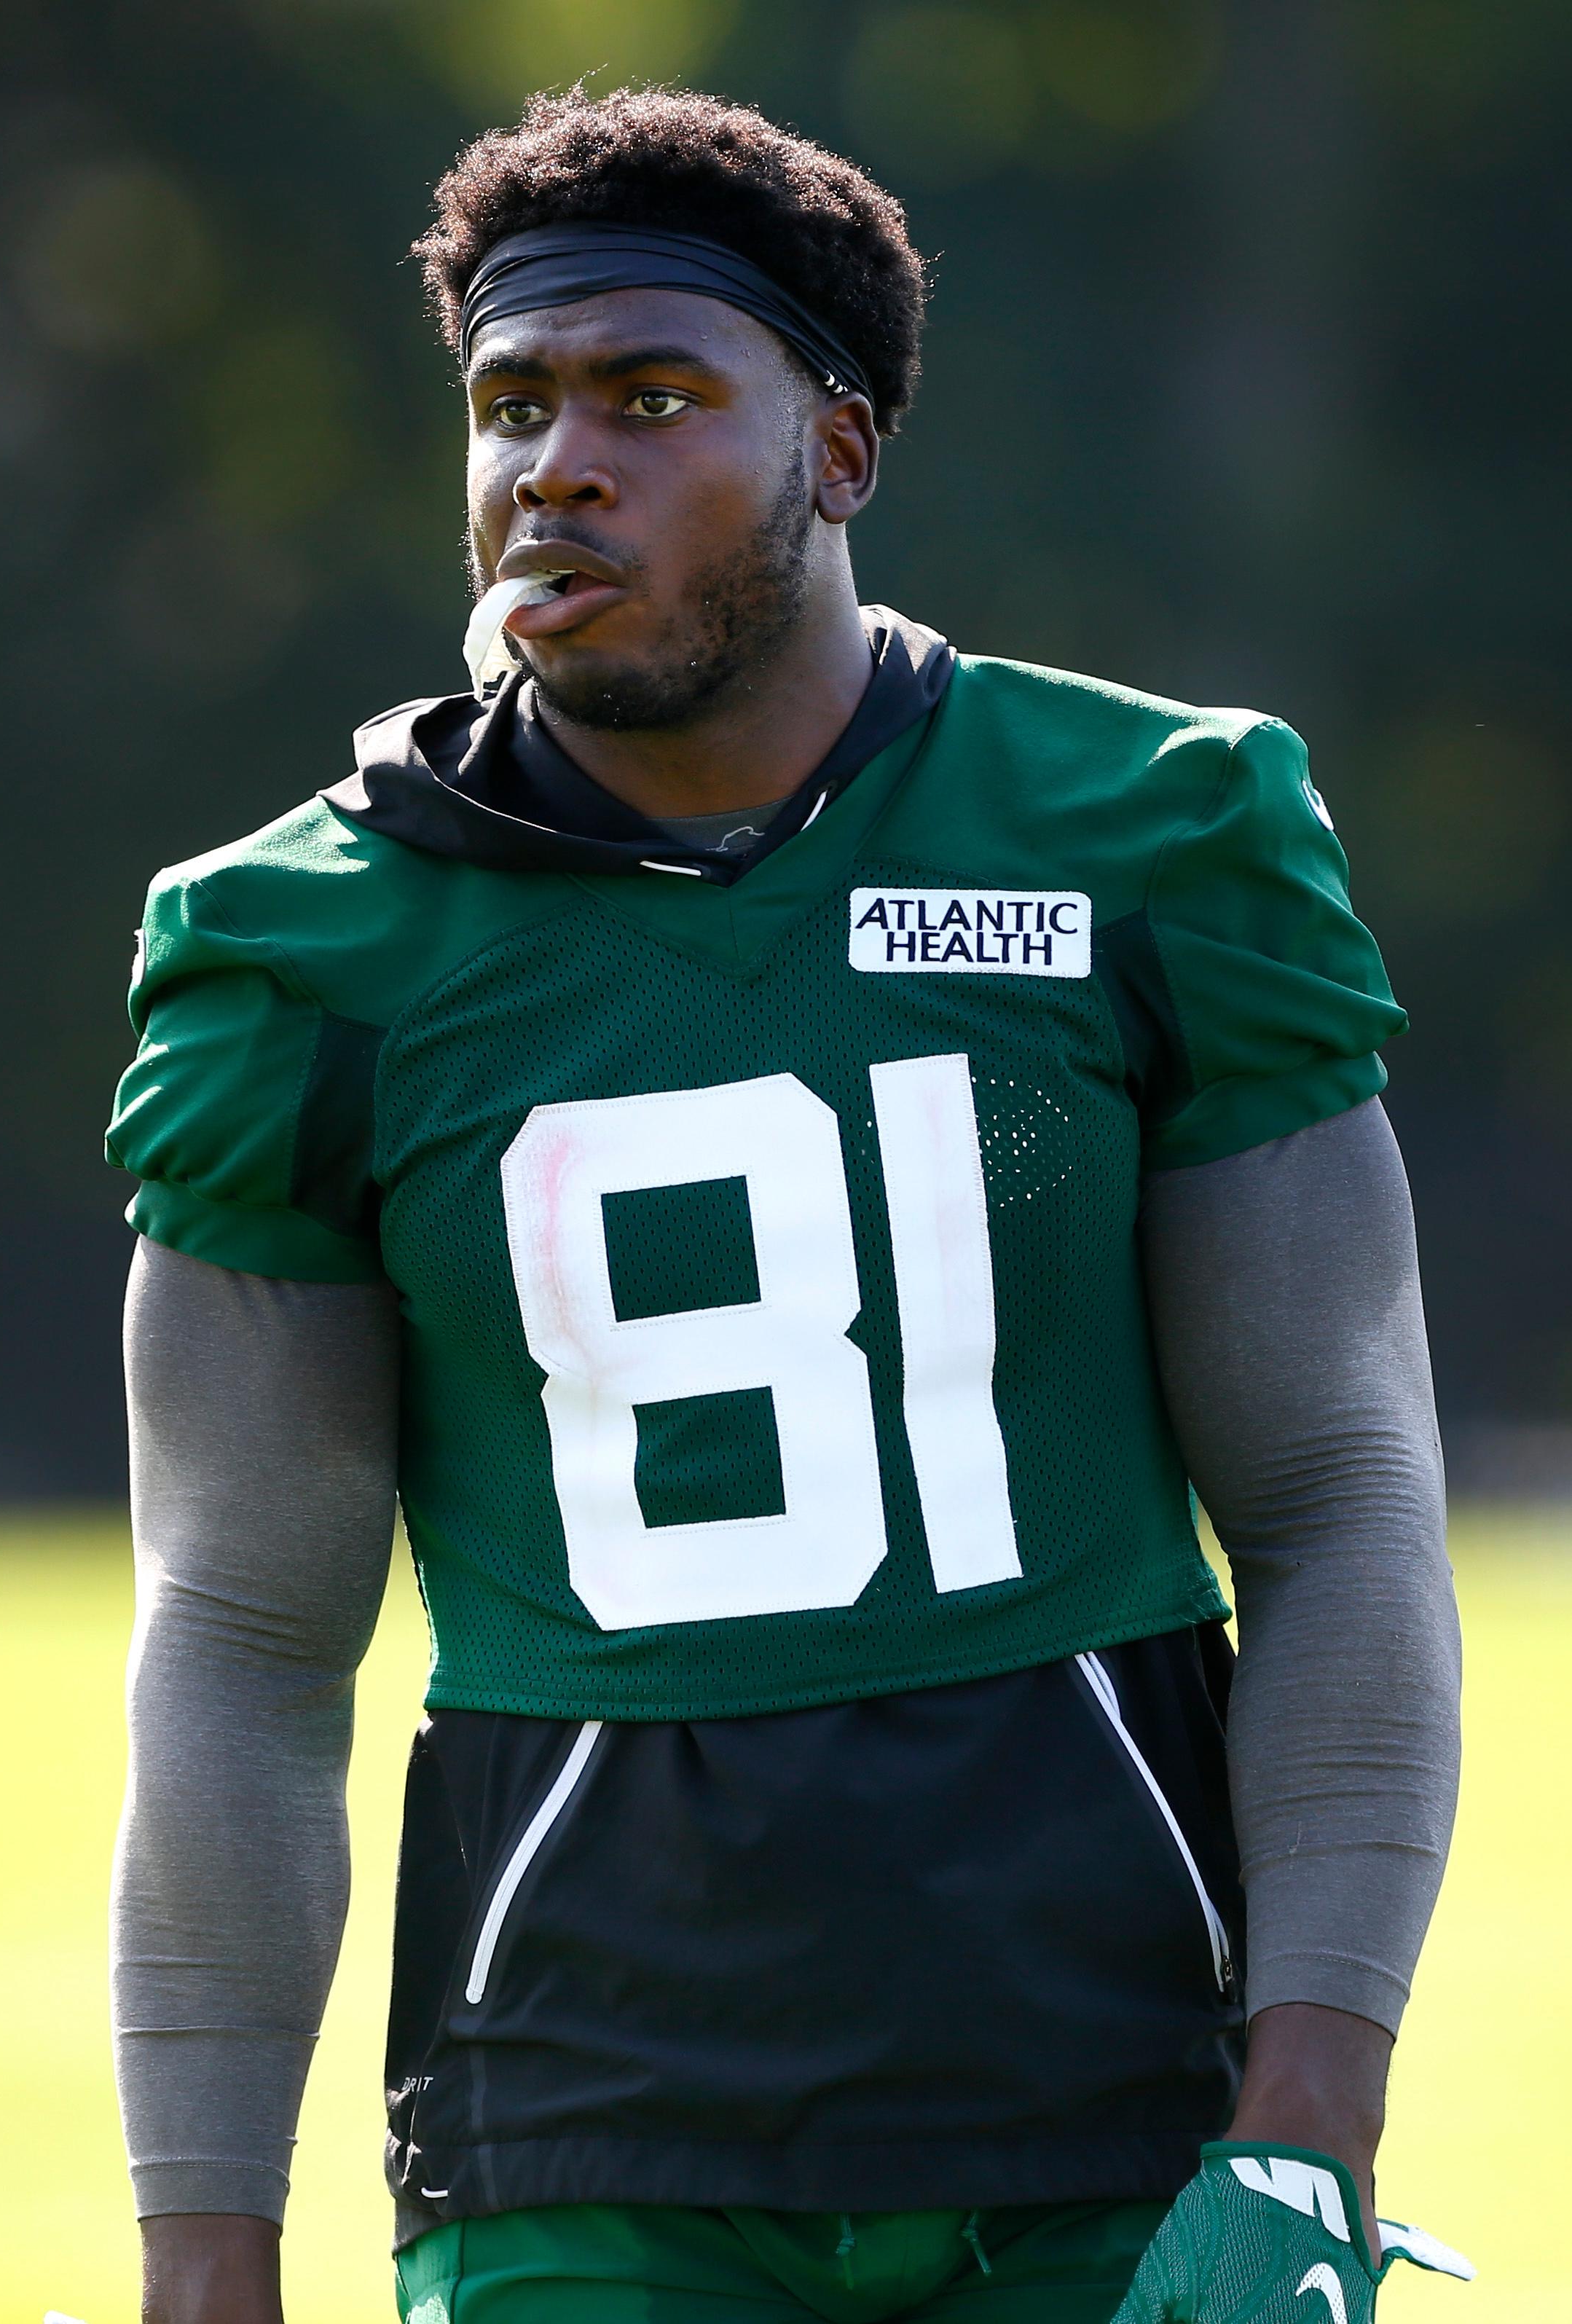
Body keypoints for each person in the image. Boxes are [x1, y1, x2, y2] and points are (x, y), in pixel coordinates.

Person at [107, 85, 1468, 2324]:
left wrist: (1310, 2126)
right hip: (582, 2130)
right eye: (512, 406)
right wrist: (203, 2266)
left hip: (1119, 2097)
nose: (560, 464)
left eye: (652, 399)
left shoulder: (1143, 837)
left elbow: (1334, 1499)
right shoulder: (304, 952)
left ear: (836, 452)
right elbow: (246, 1650)